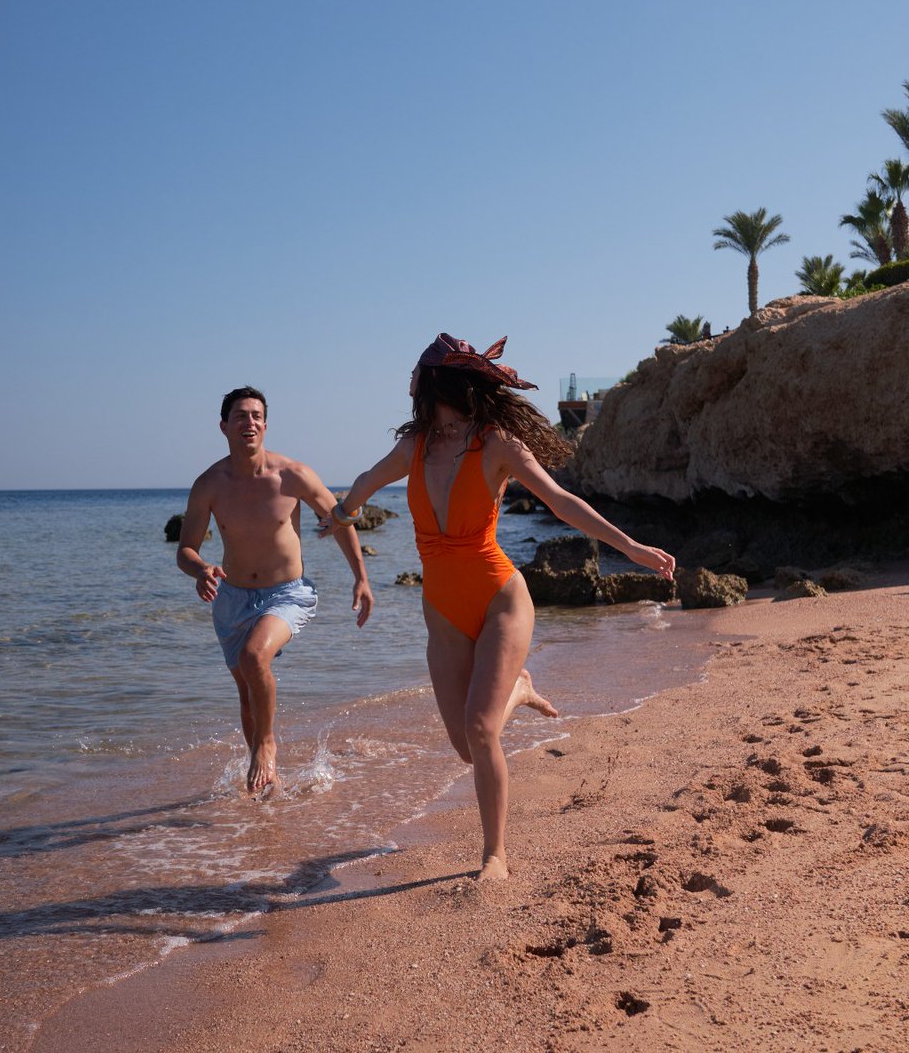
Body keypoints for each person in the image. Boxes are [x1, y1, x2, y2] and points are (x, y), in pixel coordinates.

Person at [319, 335, 674, 881]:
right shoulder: (414, 445)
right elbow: (366, 482)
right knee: (467, 746)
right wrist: (340, 514)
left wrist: (631, 550)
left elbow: (561, 501)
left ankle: (495, 857)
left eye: (416, 372)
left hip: (499, 600)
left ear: (436, 380)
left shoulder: (497, 442)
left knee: (482, 732)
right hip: (441, 612)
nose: (409, 382)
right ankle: (522, 690)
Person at [178, 386, 373, 796]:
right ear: (223, 426)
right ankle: (269, 783)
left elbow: (339, 519)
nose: (249, 422)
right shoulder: (209, 484)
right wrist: (200, 570)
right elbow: (186, 549)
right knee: (248, 695)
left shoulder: (292, 475)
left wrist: (361, 576)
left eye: (256, 415)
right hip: (231, 599)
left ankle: (266, 746)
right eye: (239, 416)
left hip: (287, 593)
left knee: (254, 657)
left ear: (265, 425)